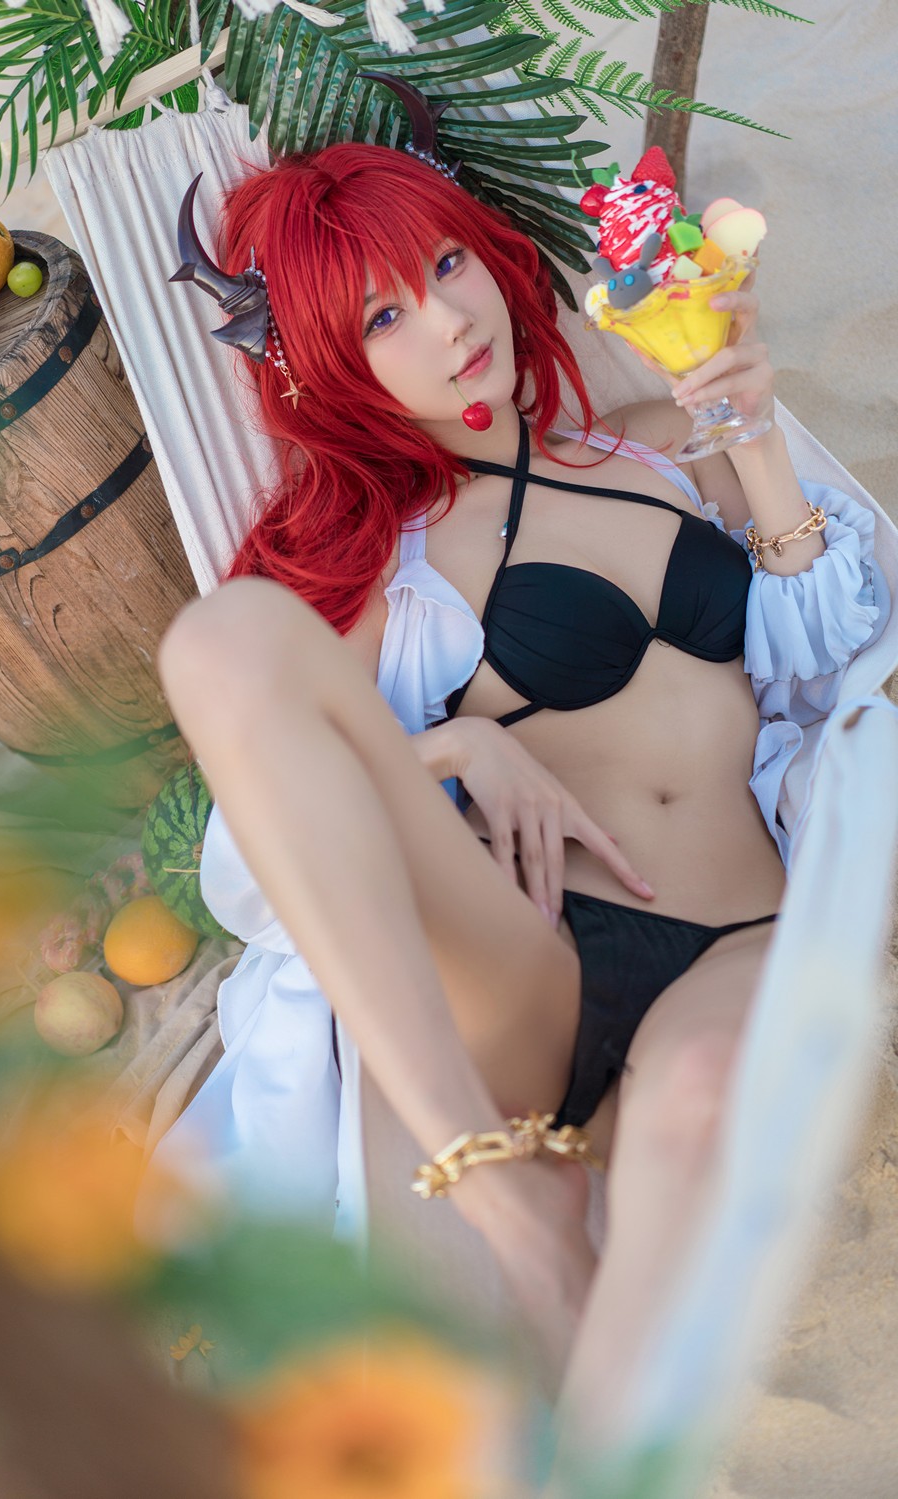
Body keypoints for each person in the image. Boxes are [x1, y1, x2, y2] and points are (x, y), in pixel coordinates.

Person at [155, 139, 884, 1433]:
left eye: (445, 264)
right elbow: (277, 848)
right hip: (529, 959)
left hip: (734, 929)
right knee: (223, 639)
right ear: (330, 367)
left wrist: (752, 427)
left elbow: (830, 658)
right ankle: (500, 1189)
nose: (448, 320)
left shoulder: (657, 447)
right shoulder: (385, 570)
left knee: (693, 1105)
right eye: (384, 318)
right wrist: (450, 749)